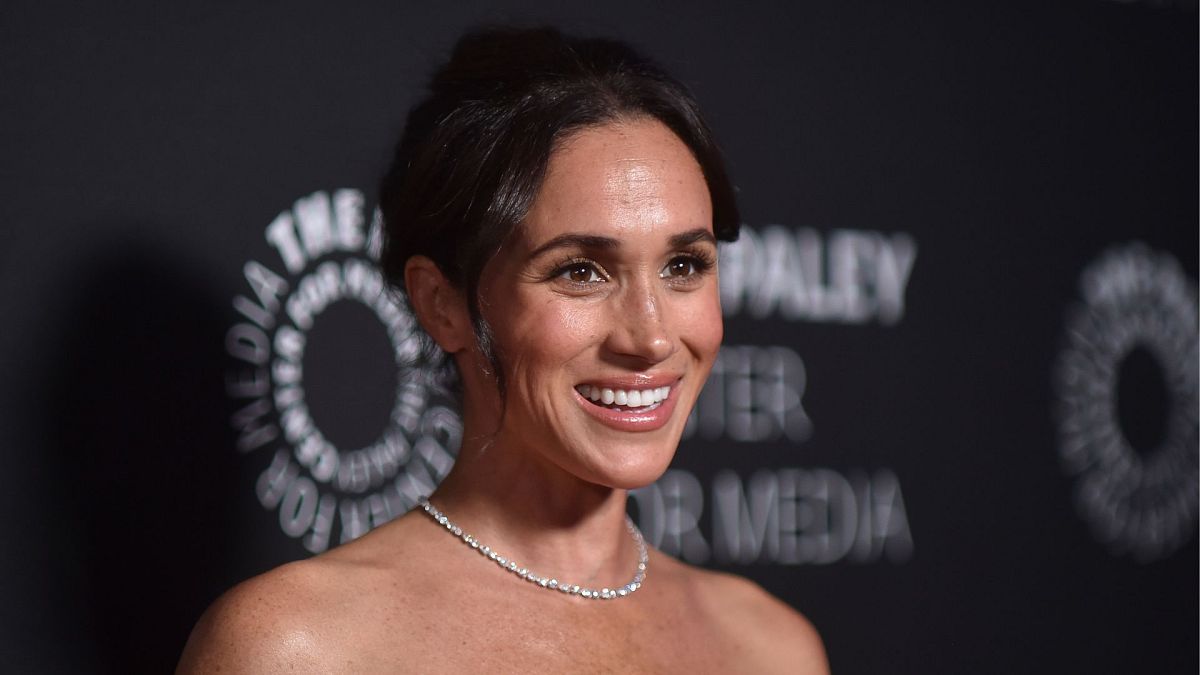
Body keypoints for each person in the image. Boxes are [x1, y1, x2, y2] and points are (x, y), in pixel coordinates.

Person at [179, 26, 828, 674]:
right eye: (580, 271)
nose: (653, 336)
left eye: (685, 264)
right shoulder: (296, 648)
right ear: (443, 304)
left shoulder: (772, 647)